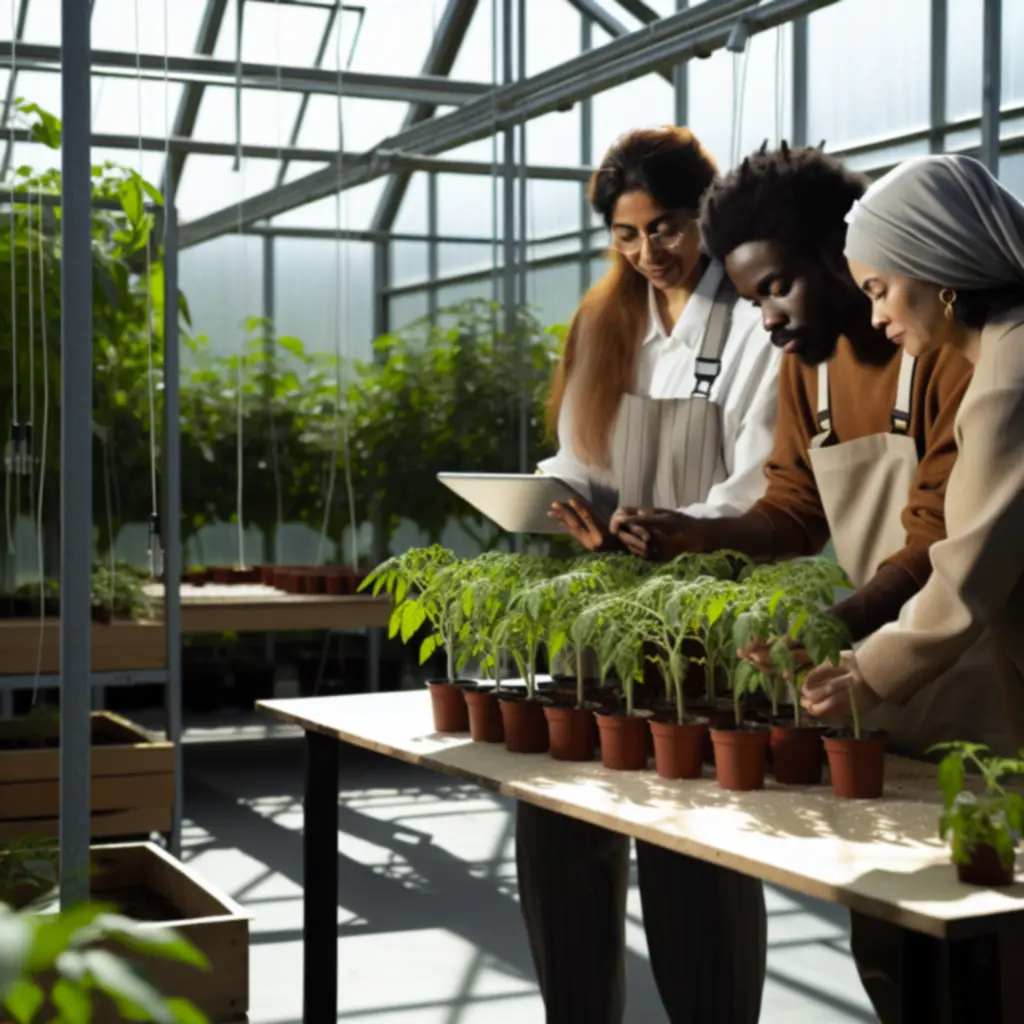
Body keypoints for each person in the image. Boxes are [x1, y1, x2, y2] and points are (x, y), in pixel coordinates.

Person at [616, 143, 1016, 1024]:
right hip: (889, 684)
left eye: (777, 289)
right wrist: (700, 534)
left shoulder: (964, 354)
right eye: (752, 296)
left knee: (984, 937)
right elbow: (794, 507)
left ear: (850, 262)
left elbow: (946, 540)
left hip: (978, 678)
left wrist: (840, 631)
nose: (764, 317)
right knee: (890, 931)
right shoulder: (811, 371)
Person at [521, 127, 781, 1024]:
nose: (648, 254)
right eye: (627, 236)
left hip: (707, 622)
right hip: (610, 608)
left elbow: (760, 485)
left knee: (693, 848)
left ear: (705, 211)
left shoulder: (756, 323)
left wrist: (675, 530)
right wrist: (566, 499)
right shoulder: (609, 320)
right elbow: (580, 456)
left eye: (665, 228)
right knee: (562, 822)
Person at [801, 154, 1024, 746]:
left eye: (880, 290)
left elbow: (968, 571)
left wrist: (868, 673)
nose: (876, 317)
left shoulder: (1008, 378)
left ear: (937, 268)